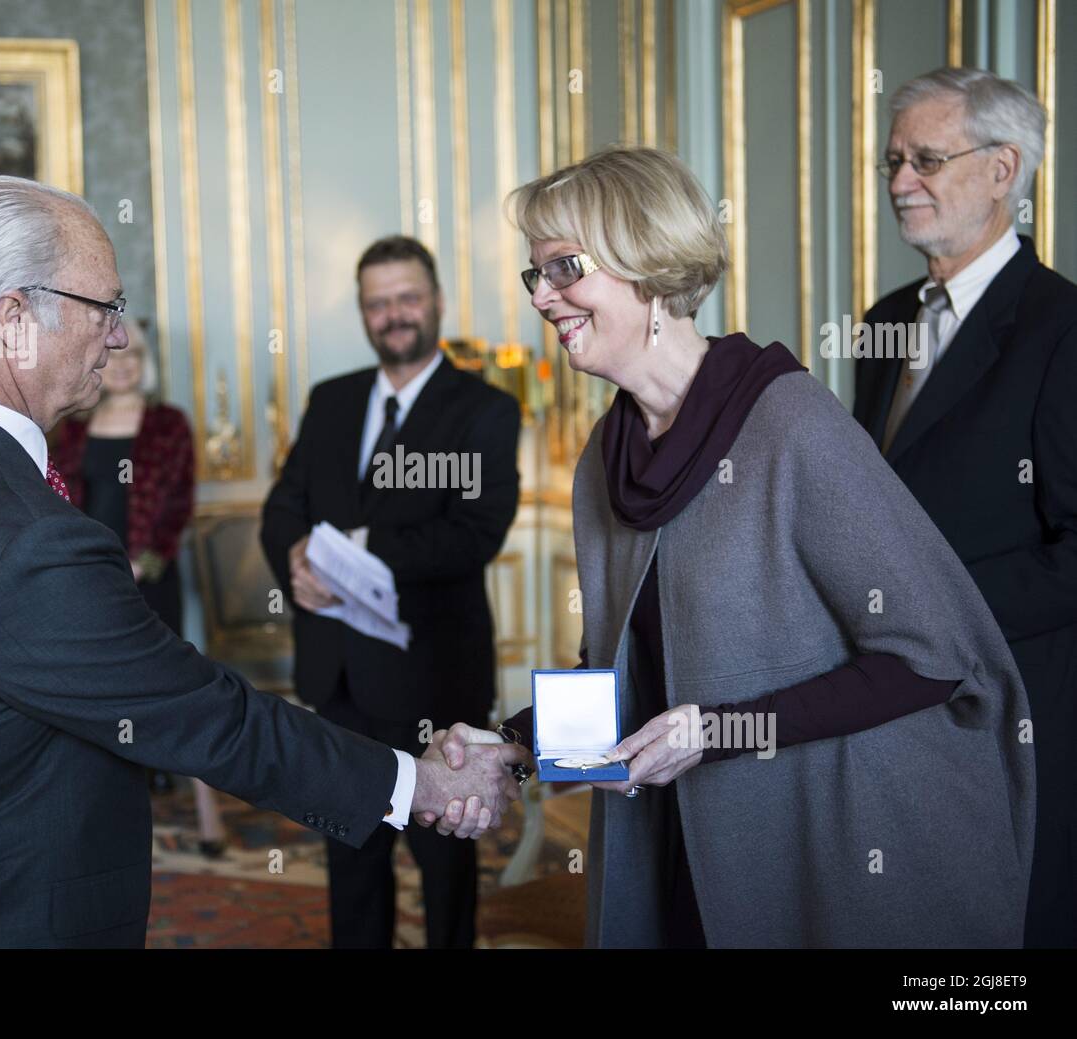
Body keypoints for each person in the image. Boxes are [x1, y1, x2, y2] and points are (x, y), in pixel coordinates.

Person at [0, 175, 527, 948]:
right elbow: (210, 717)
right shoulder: (30, 541)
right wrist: (417, 781)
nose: (120, 338)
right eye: (105, 309)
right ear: (14, 317)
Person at [426, 146, 1033, 948]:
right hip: (684, 846)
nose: (543, 296)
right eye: (533, 275)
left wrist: (720, 729)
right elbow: (624, 683)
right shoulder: (604, 458)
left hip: (832, 844)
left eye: (564, 268)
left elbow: (932, 654)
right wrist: (509, 743)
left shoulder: (789, 424)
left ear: (646, 263)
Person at [852, 67, 1077, 948]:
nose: (902, 181)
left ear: (1003, 170)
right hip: (892, 709)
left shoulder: (1062, 328)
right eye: (894, 160)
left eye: (928, 160)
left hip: (1016, 713)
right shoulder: (882, 320)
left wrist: (938, 612)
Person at [260, 235, 521, 948]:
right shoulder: (331, 399)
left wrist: (360, 550)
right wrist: (296, 560)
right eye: (378, 303)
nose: (394, 315)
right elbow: (284, 504)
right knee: (351, 857)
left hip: (433, 680)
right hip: (336, 677)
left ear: (435, 300)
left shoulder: (485, 410)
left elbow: (475, 533)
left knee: (445, 862)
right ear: (363, 312)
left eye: (407, 298)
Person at [51, 319, 227, 850]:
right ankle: (95, 822)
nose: (124, 363)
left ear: (144, 361)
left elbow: (179, 506)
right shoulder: (74, 425)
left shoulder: (168, 424)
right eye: (114, 354)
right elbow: (57, 501)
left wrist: (139, 564)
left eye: (134, 355)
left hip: (149, 579)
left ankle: (208, 812)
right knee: (90, 691)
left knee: (171, 689)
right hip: (85, 579)